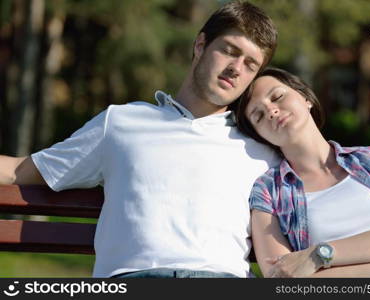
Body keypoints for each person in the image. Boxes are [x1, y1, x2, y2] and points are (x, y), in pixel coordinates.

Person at [0, 1, 279, 278]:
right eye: (230, 51)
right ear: (200, 45)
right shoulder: (122, 123)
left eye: (250, 65)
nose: (236, 68)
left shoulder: (261, 152)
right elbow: (16, 171)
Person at [235, 67, 370, 277]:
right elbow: (281, 279)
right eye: (258, 115)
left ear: (305, 98)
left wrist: (319, 255)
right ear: (260, 136)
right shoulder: (268, 191)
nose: (271, 111)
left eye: (277, 96)